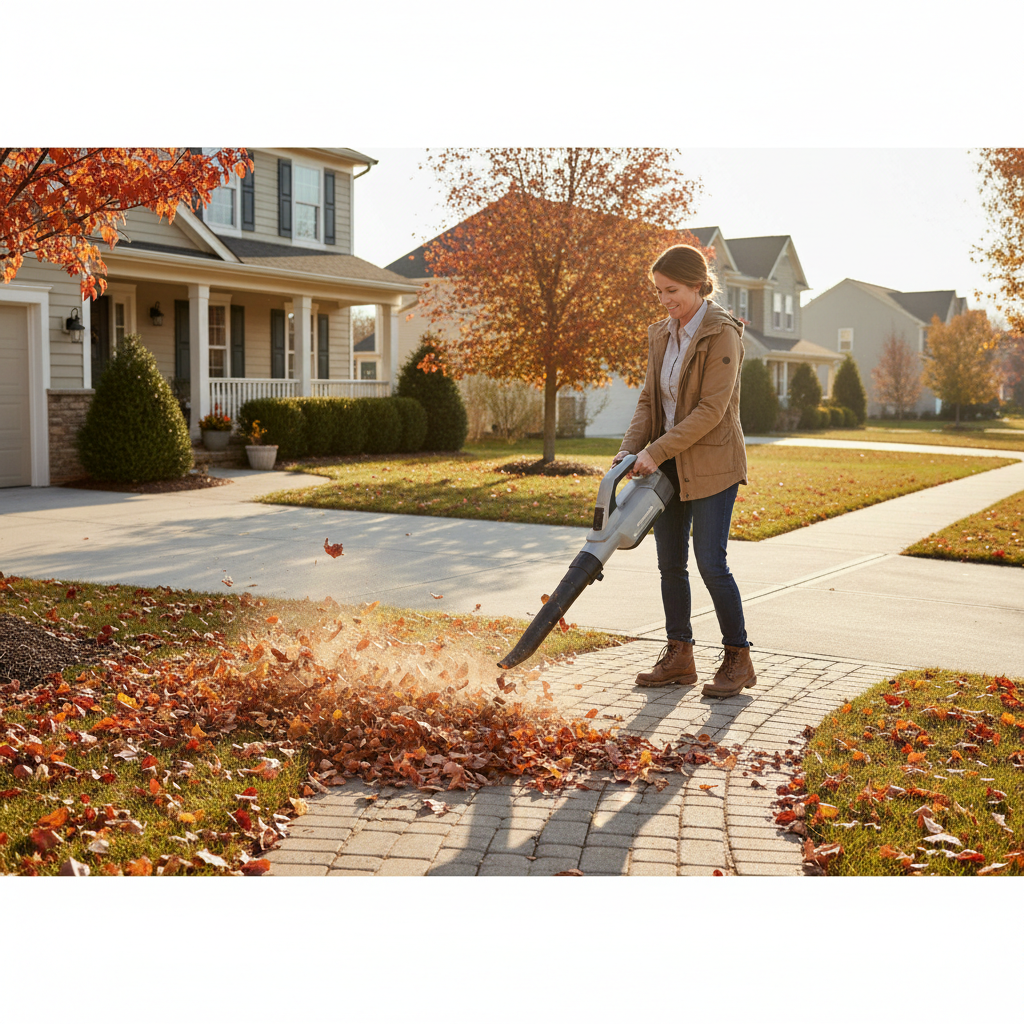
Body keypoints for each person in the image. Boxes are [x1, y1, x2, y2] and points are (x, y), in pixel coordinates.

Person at [612, 243, 756, 698]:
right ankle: (680, 655)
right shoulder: (661, 333)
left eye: (671, 290)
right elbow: (650, 401)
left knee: (711, 562)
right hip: (667, 466)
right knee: (669, 564)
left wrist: (654, 450)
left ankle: (738, 658)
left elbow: (713, 409)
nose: (665, 300)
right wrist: (629, 451)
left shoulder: (722, 333)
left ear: (697, 284)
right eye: (658, 291)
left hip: (713, 462)